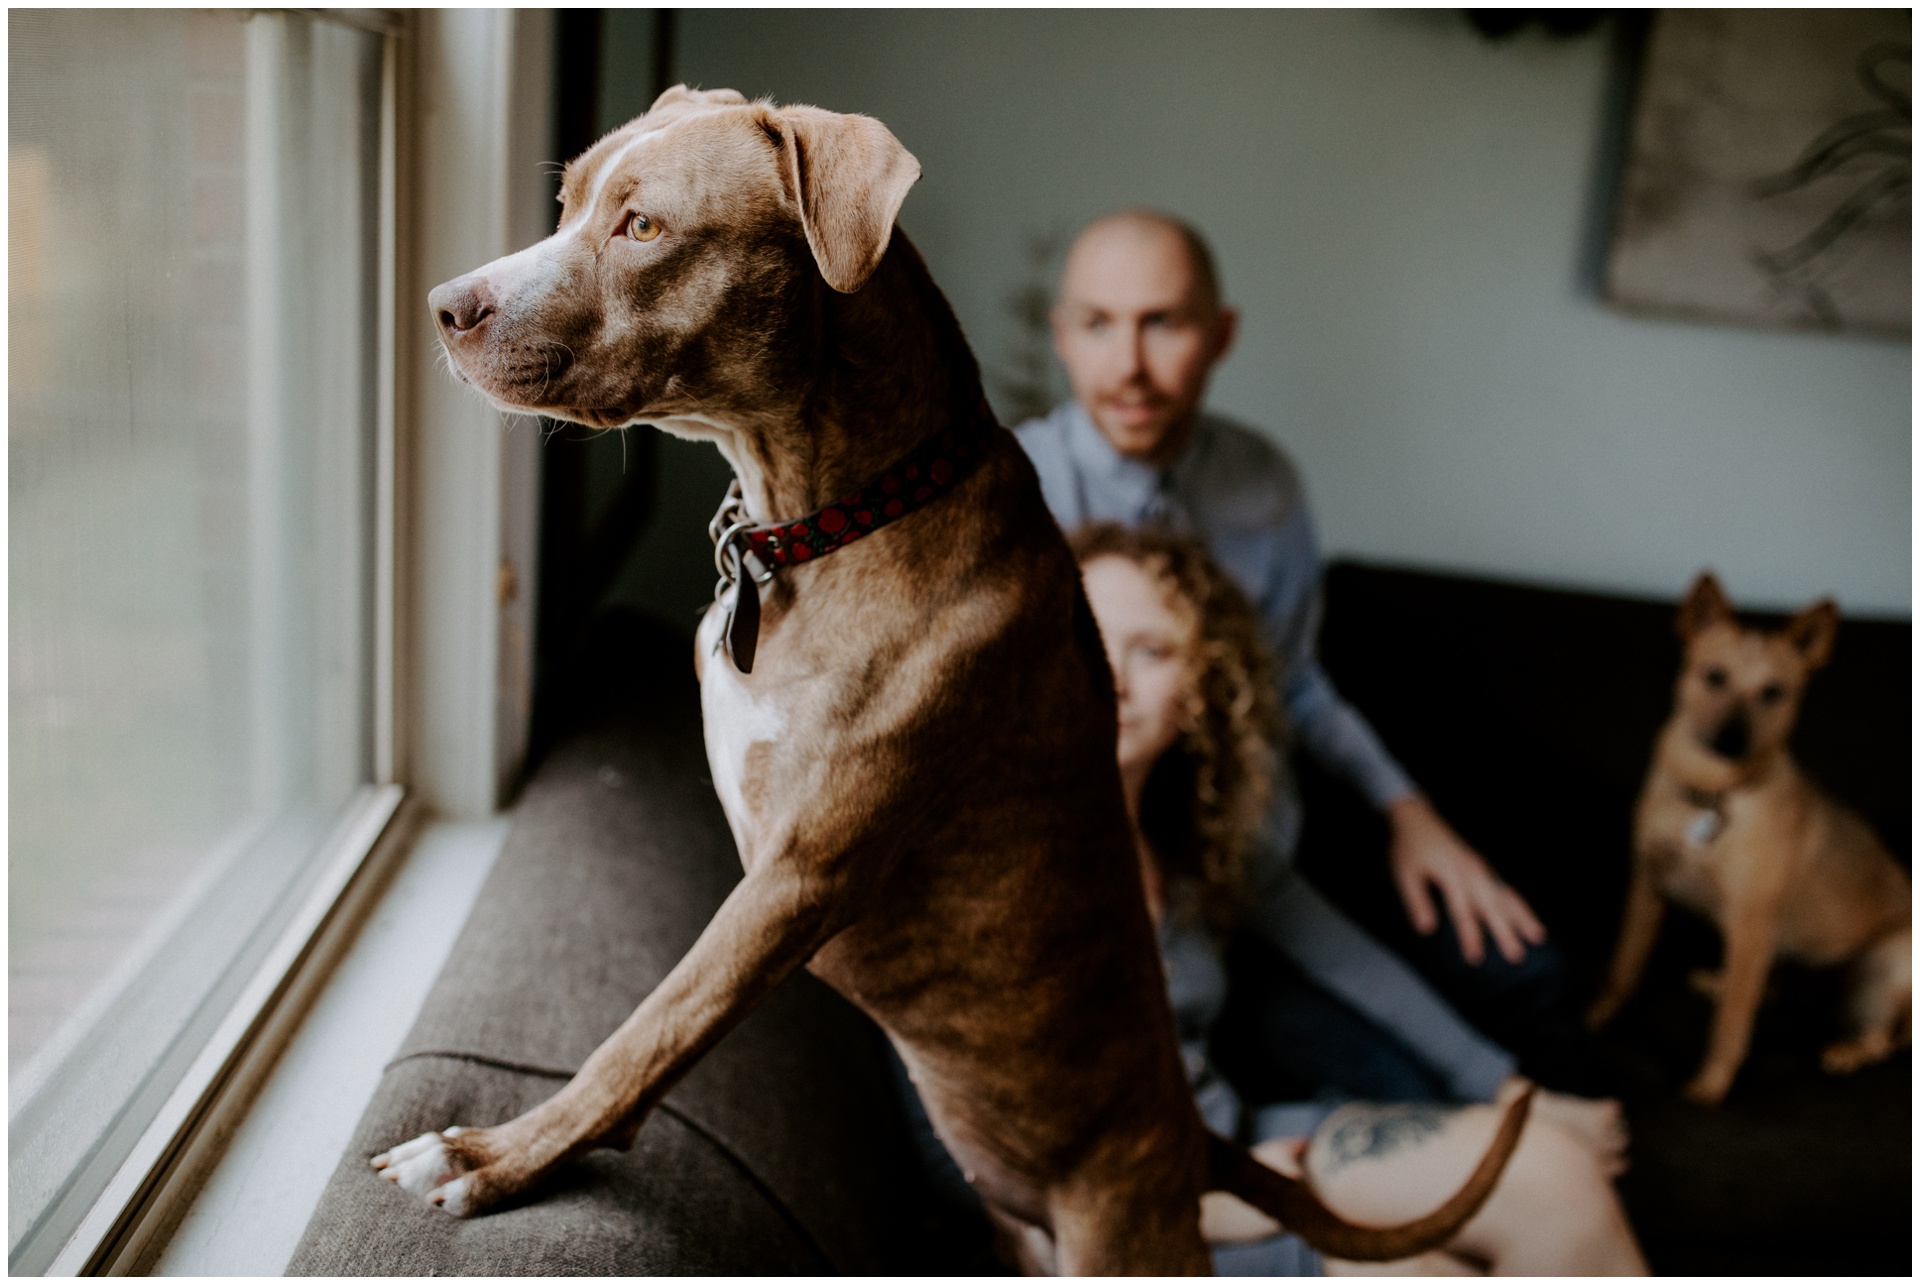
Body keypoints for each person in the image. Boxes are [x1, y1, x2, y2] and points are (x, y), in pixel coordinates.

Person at [1015, 209, 1601, 1098]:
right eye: (1098, 324)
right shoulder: (1003, 498)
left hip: (1273, 844)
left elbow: (1293, 676)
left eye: (1164, 322)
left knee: (1526, 970)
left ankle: (1580, 1184)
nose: (1129, 365)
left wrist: (1410, 812)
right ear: (1061, 336)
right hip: (1154, 881)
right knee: (1406, 1085)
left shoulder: (1263, 481)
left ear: (1220, 335)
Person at [1073, 522, 1645, 1275]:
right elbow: (952, 1147)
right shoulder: (975, 865)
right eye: (1080, 634)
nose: (1111, 673)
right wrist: (1191, 1199)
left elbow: (1353, 963)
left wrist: (1514, 1095)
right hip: (1117, 1216)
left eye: (1153, 649)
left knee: (1552, 1168)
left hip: (1239, 1144)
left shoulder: (1193, 850)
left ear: (1201, 687)